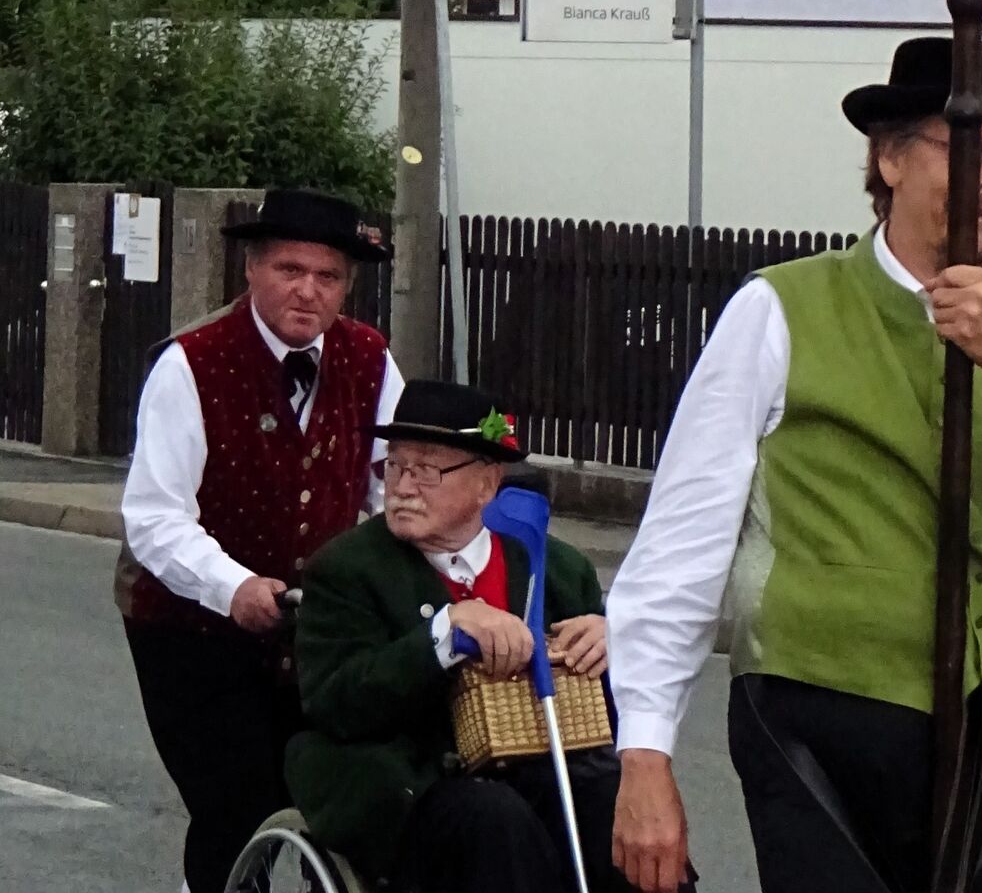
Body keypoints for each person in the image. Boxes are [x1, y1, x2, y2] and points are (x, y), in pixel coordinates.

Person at [605, 37, 982, 893]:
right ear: (889, 159)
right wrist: (645, 754)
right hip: (815, 725)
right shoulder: (779, 310)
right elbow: (682, 542)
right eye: (966, 149)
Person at [120, 186, 400, 893]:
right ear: (252, 269)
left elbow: (392, 486)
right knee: (235, 805)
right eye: (289, 270)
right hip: (191, 626)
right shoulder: (192, 363)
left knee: (333, 796)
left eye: (327, 276)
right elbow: (154, 517)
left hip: (315, 625)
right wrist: (232, 586)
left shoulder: (370, 359)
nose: (308, 291)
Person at [288, 380, 629, 891]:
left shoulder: (557, 567)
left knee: (616, 803)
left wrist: (609, 645)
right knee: (493, 817)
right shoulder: (346, 568)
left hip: (535, 767)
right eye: (395, 466)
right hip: (409, 780)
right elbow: (335, 702)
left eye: (426, 471)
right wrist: (442, 633)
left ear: (487, 484)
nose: (402, 487)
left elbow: (612, 715)